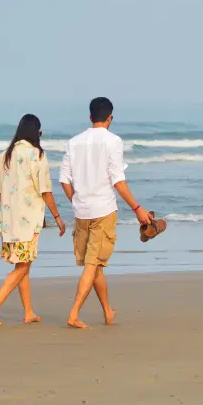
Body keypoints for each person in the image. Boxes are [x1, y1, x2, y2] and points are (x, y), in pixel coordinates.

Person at [59, 97, 152, 329]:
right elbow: (118, 181)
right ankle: (73, 314)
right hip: (103, 210)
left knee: (96, 264)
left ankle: (108, 311)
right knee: (93, 265)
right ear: (110, 118)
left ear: (90, 117)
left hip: (81, 213)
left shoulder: (74, 142)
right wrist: (137, 209)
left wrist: (77, 200)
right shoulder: (114, 141)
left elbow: (63, 180)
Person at [0, 114, 66, 326]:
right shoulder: (37, 155)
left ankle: (28, 312)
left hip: (9, 221)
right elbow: (46, 191)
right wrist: (58, 217)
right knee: (23, 267)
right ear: (36, 132)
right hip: (28, 221)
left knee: (23, 265)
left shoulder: (5, 155)